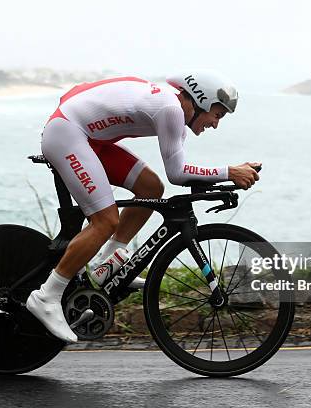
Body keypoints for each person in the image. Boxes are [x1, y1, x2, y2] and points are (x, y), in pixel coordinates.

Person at [26, 70, 260, 342]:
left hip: (87, 137)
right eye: (217, 115)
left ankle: (106, 264)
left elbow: (81, 90)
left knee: (151, 188)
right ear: (202, 101)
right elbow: (178, 173)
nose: (216, 124)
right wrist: (229, 172)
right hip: (68, 135)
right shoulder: (171, 111)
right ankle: (47, 296)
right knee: (105, 221)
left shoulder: (170, 107)